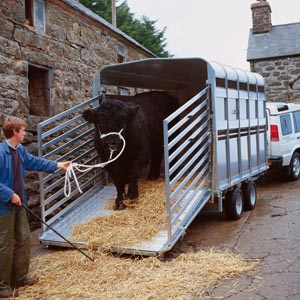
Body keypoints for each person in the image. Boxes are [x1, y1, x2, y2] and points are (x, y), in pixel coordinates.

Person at [0, 116, 72, 298]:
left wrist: (58, 165)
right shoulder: (1, 153)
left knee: (24, 239)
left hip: (18, 205)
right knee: (5, 245)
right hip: (3, 208)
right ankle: (2, 286)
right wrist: (10, 194)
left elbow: (35, 162)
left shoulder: (20, 150)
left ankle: (20, 277)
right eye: (23, 130)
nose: (25, 133)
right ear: (15, 132)